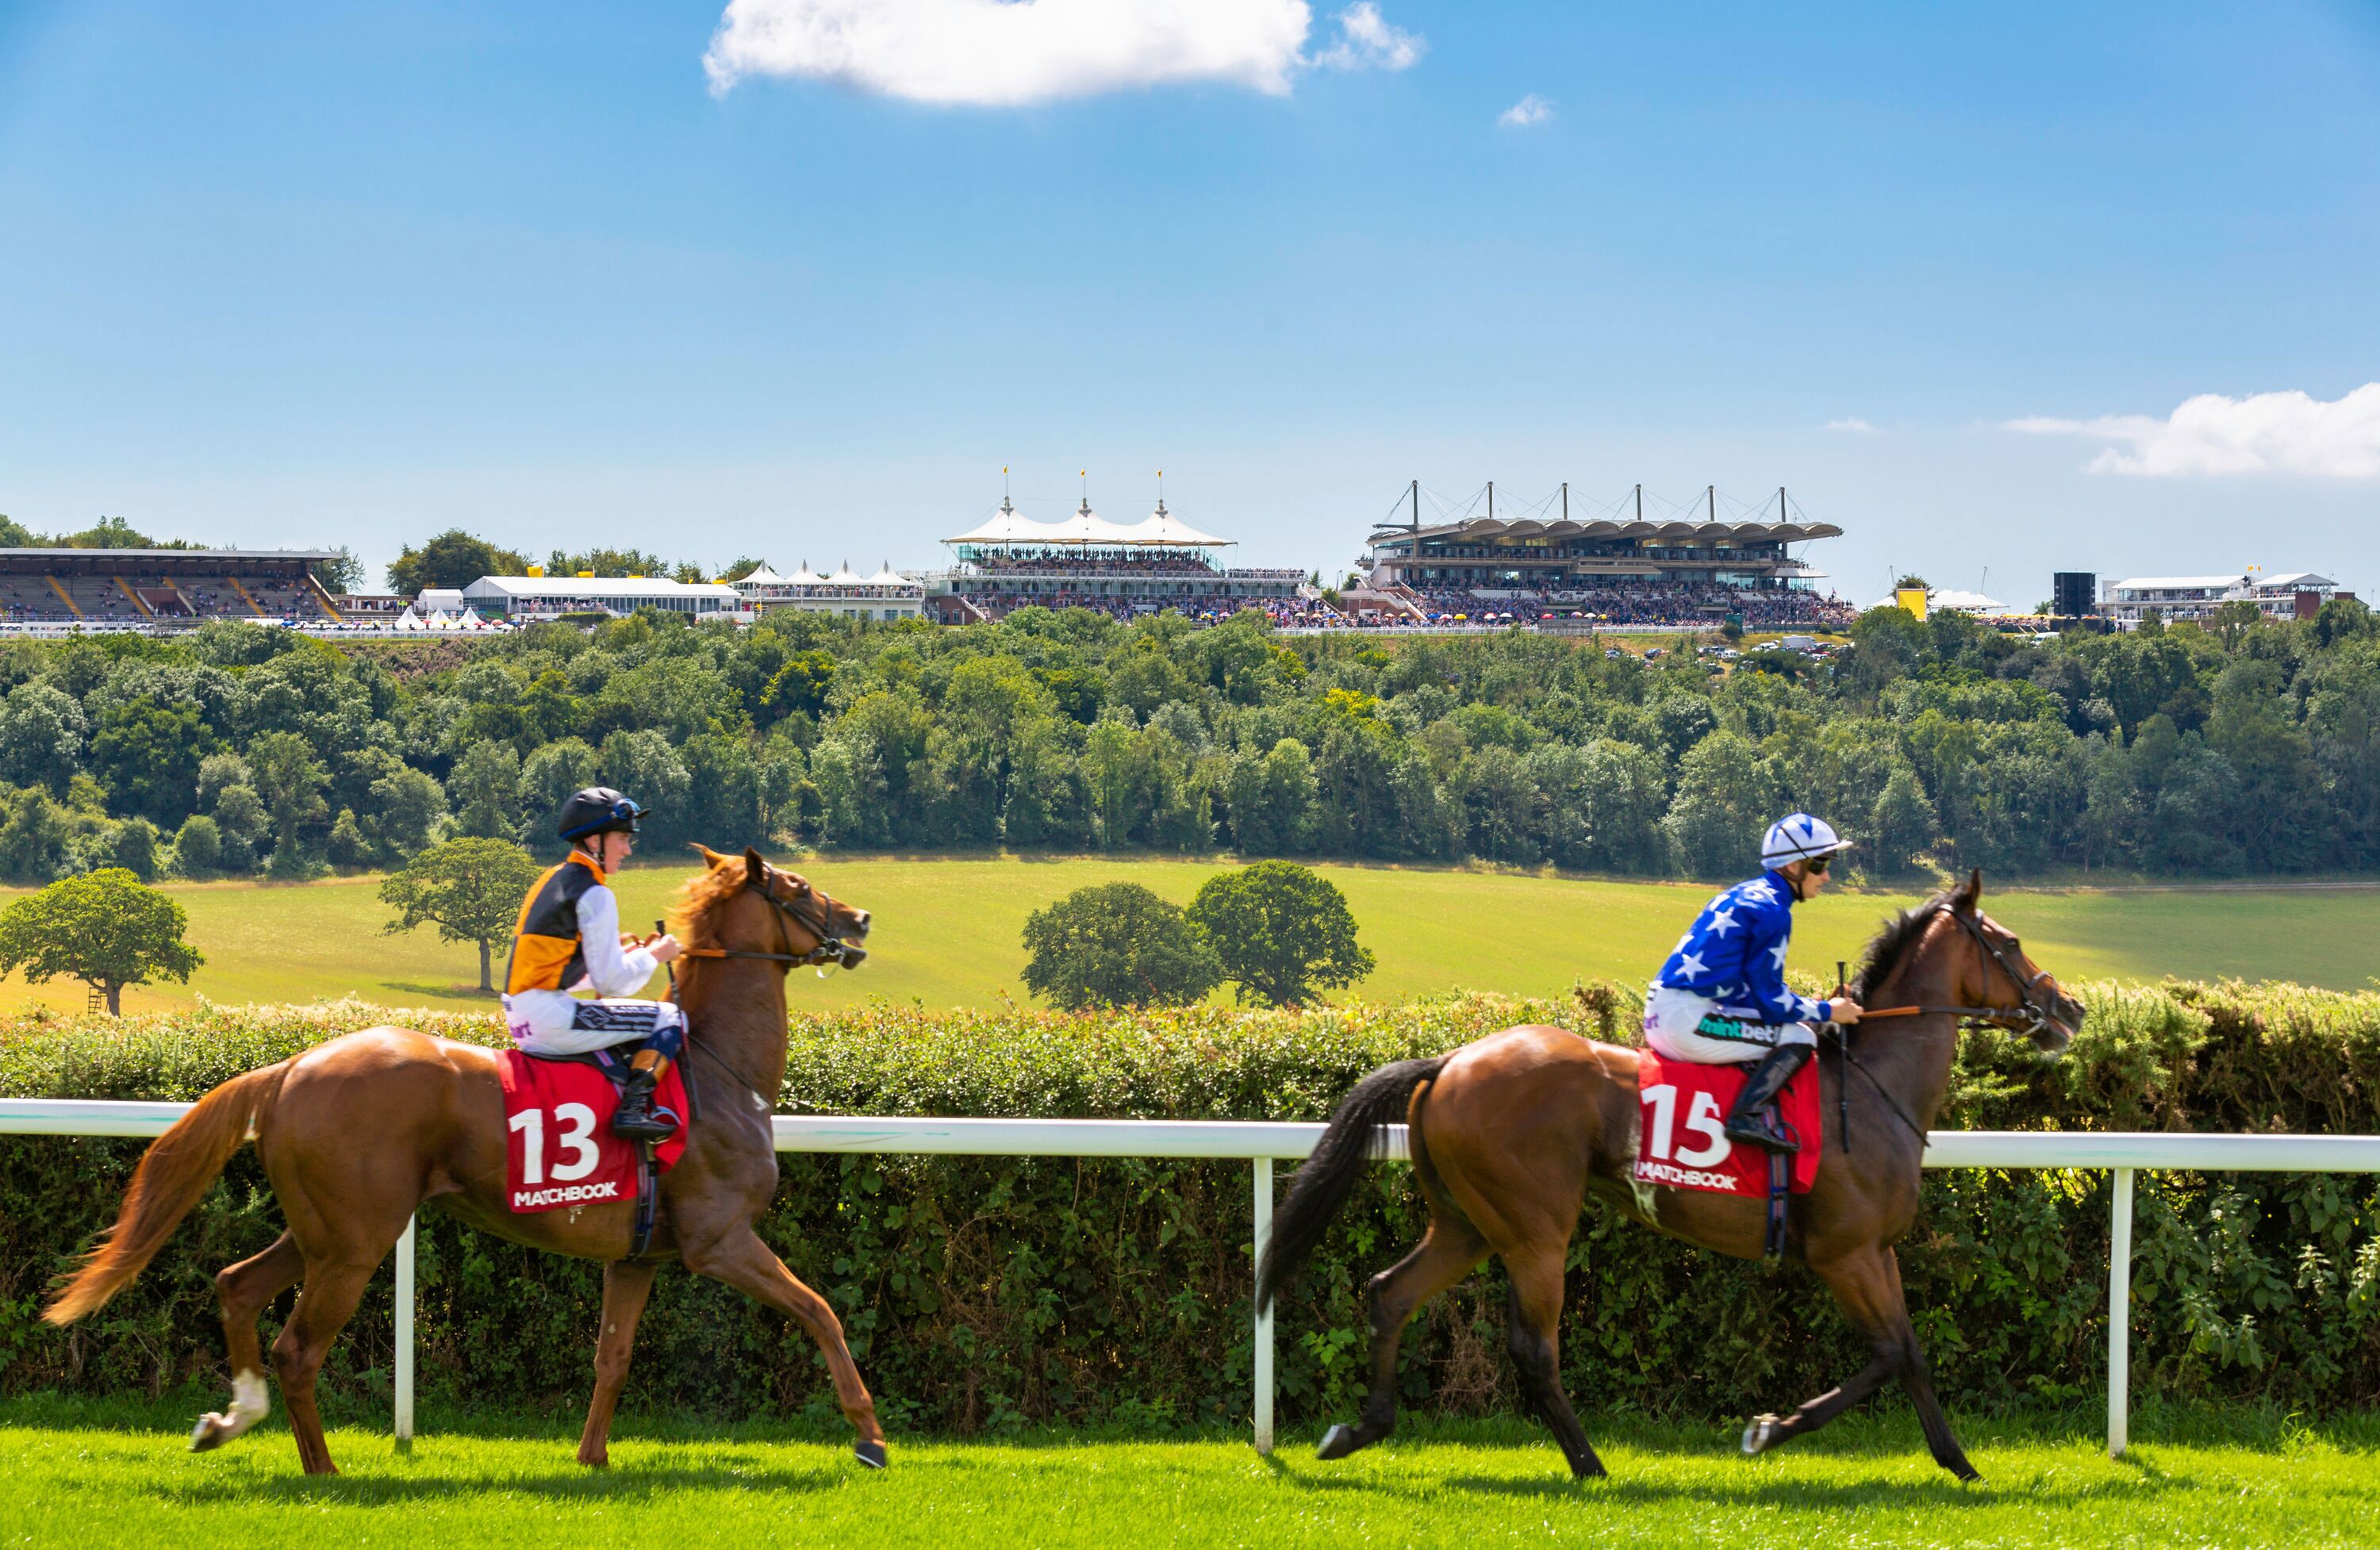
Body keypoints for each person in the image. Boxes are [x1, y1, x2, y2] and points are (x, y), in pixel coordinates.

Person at [1644, 813, 1864, 1154]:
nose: (1826, 875)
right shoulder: (1774, 911)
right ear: (1793, 866)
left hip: (1670, 1011)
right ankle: (1744, 1117)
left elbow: (1750, 991)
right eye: (1820, 864)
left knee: (1792, 1024)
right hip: (1686, 1020)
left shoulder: (1748, 893)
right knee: (1799, 1036)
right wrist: (1826, 1011)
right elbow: (1771, 1002)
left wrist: (1803, 1006)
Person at [503, 786, 687, 1143]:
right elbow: (613, 982)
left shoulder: (553, 878)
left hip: (521, 1015)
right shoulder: (596, 893)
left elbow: (569, 969)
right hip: (550, 1016)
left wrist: (632, 955)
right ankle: (633, 1109)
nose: (628, 849)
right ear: (593, 840)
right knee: (671, 1018)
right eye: (622, 838)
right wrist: (656, 955)